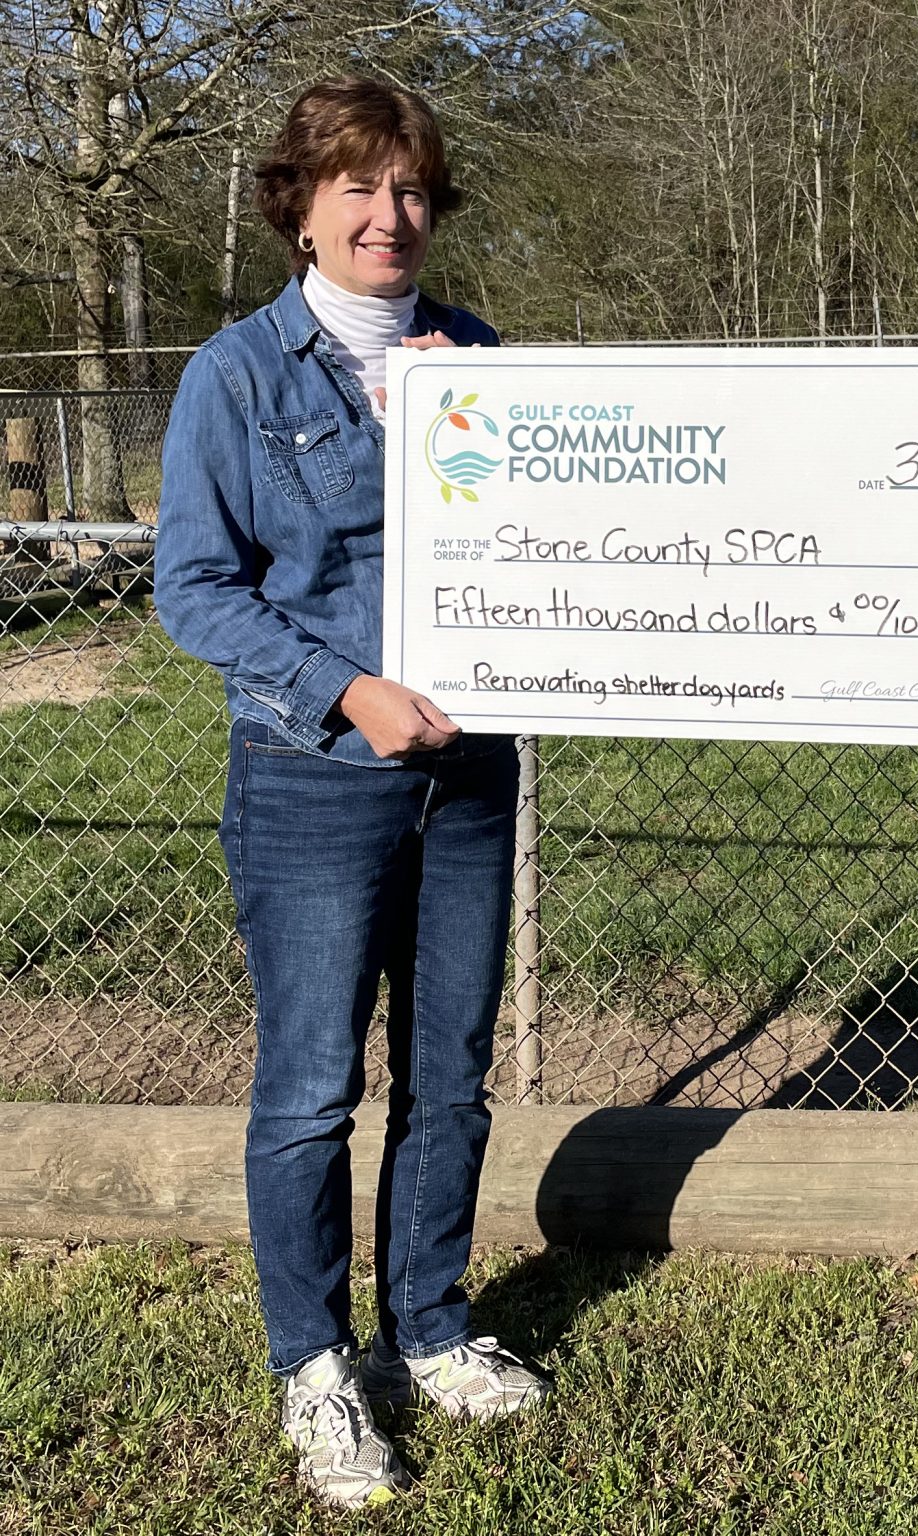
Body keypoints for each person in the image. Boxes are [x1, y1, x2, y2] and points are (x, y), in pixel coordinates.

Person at [155, 77, 546, 1509]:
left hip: (471, 776)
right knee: (313, 1088)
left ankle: (428, 1327)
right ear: (302, 209)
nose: (392, 215)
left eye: (413, 189)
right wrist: (349, 689)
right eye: (360, 188)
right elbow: (194, 589)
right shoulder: (238, 376)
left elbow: (557, 544)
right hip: (315, 777)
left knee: (449, 1074)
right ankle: (315, 1364)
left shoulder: (481, 358)